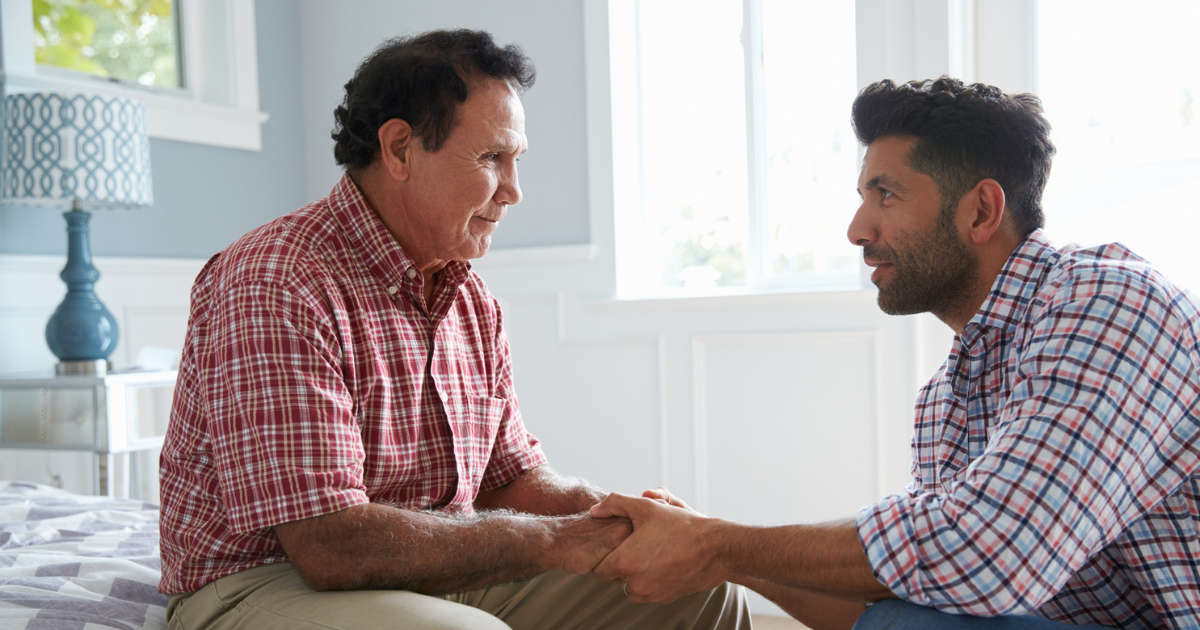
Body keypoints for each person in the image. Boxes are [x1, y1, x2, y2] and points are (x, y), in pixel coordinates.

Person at [158, 29, 749, 630]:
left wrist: (617, 517)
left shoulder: (469, 298)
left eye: (517, 161)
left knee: (699, 590)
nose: (515, 191)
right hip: (258, 581)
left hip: (432, 566)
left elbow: (511, 478)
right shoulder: (277, 281)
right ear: (399, 149)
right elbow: (329, 545)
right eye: (492, 159)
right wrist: (558, 541)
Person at [590, 77, 1200, 630]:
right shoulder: (947, 398)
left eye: (886, 194)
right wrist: (712, 551)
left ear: (981, 211)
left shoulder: (1110, 305)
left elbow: (989, 553)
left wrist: (717, 544)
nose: (857, 229)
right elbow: (911, 598)